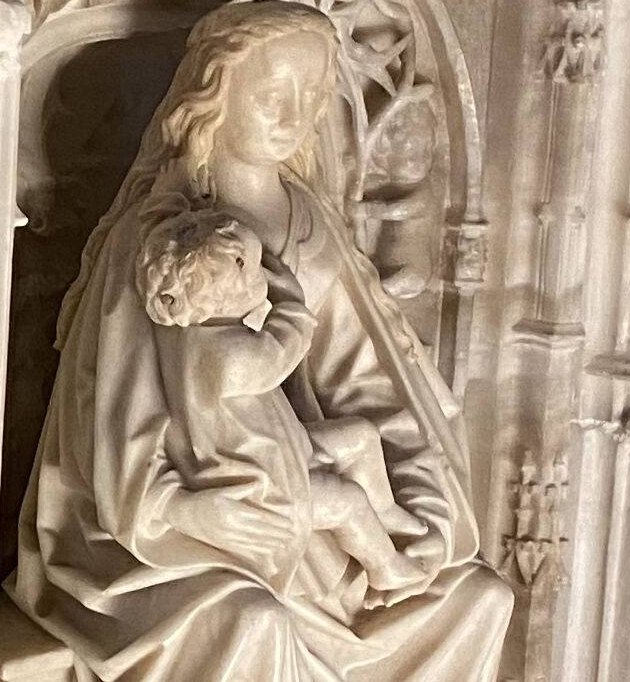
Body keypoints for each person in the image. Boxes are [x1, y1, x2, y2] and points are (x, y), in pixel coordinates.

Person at [13, 0, 512, 682]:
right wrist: (205, 517)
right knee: (254, 622)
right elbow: (117, 463)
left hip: (288, 499)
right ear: (214, 93)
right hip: (161, 532)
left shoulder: (309, 227)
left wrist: (418, 506)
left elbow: (368, 382)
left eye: (311, 93)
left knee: (480, 600)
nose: (293, 111)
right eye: (270, 88)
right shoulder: (153, 245)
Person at [134, 202, 429, 596]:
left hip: (284, 448)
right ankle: (386, 567)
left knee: (361, 435)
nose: (265, 279)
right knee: (347, 502)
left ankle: (387, 510)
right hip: (261, 484)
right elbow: (285, 350)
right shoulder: (226, 357)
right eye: (257, 272)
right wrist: (289, 298)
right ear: (224, 294)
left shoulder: (198, 339)